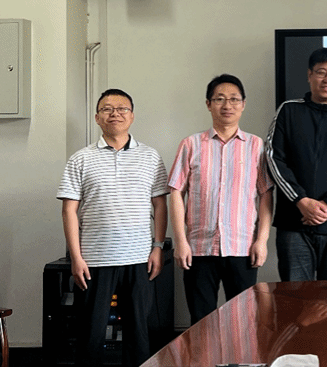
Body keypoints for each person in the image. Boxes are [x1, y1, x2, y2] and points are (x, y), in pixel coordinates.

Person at [57, 89, 168, 367]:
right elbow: (69, 210)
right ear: (97, 118)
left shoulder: (151, 157)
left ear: (132, 116)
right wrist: (76, 257)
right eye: (107, 109)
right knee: (90, 334)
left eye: (122, 108)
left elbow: (160, 205)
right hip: (94, 260)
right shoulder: (80, 159)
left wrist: (158, 247)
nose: (115, 113)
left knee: (138, 334)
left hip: (139, 259)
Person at [168, 74, 273, 325]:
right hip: (199, 248)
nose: (227, 105)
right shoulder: (191, 144)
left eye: (234, 99)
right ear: (208, 104)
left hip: (242, 248)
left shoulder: (256, 146)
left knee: (243, 321)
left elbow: (266, 195)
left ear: (243, 104)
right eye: (220, 99)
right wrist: (181, 241)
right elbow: (176, 192)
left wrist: (262, 241)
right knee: (200, 320)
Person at [265, 47, 327, 281]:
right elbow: (273, 157)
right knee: (295, 295)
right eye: (321, 72)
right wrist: (301, 200)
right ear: (309, 75)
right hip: (293, 223)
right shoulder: (288, 110)